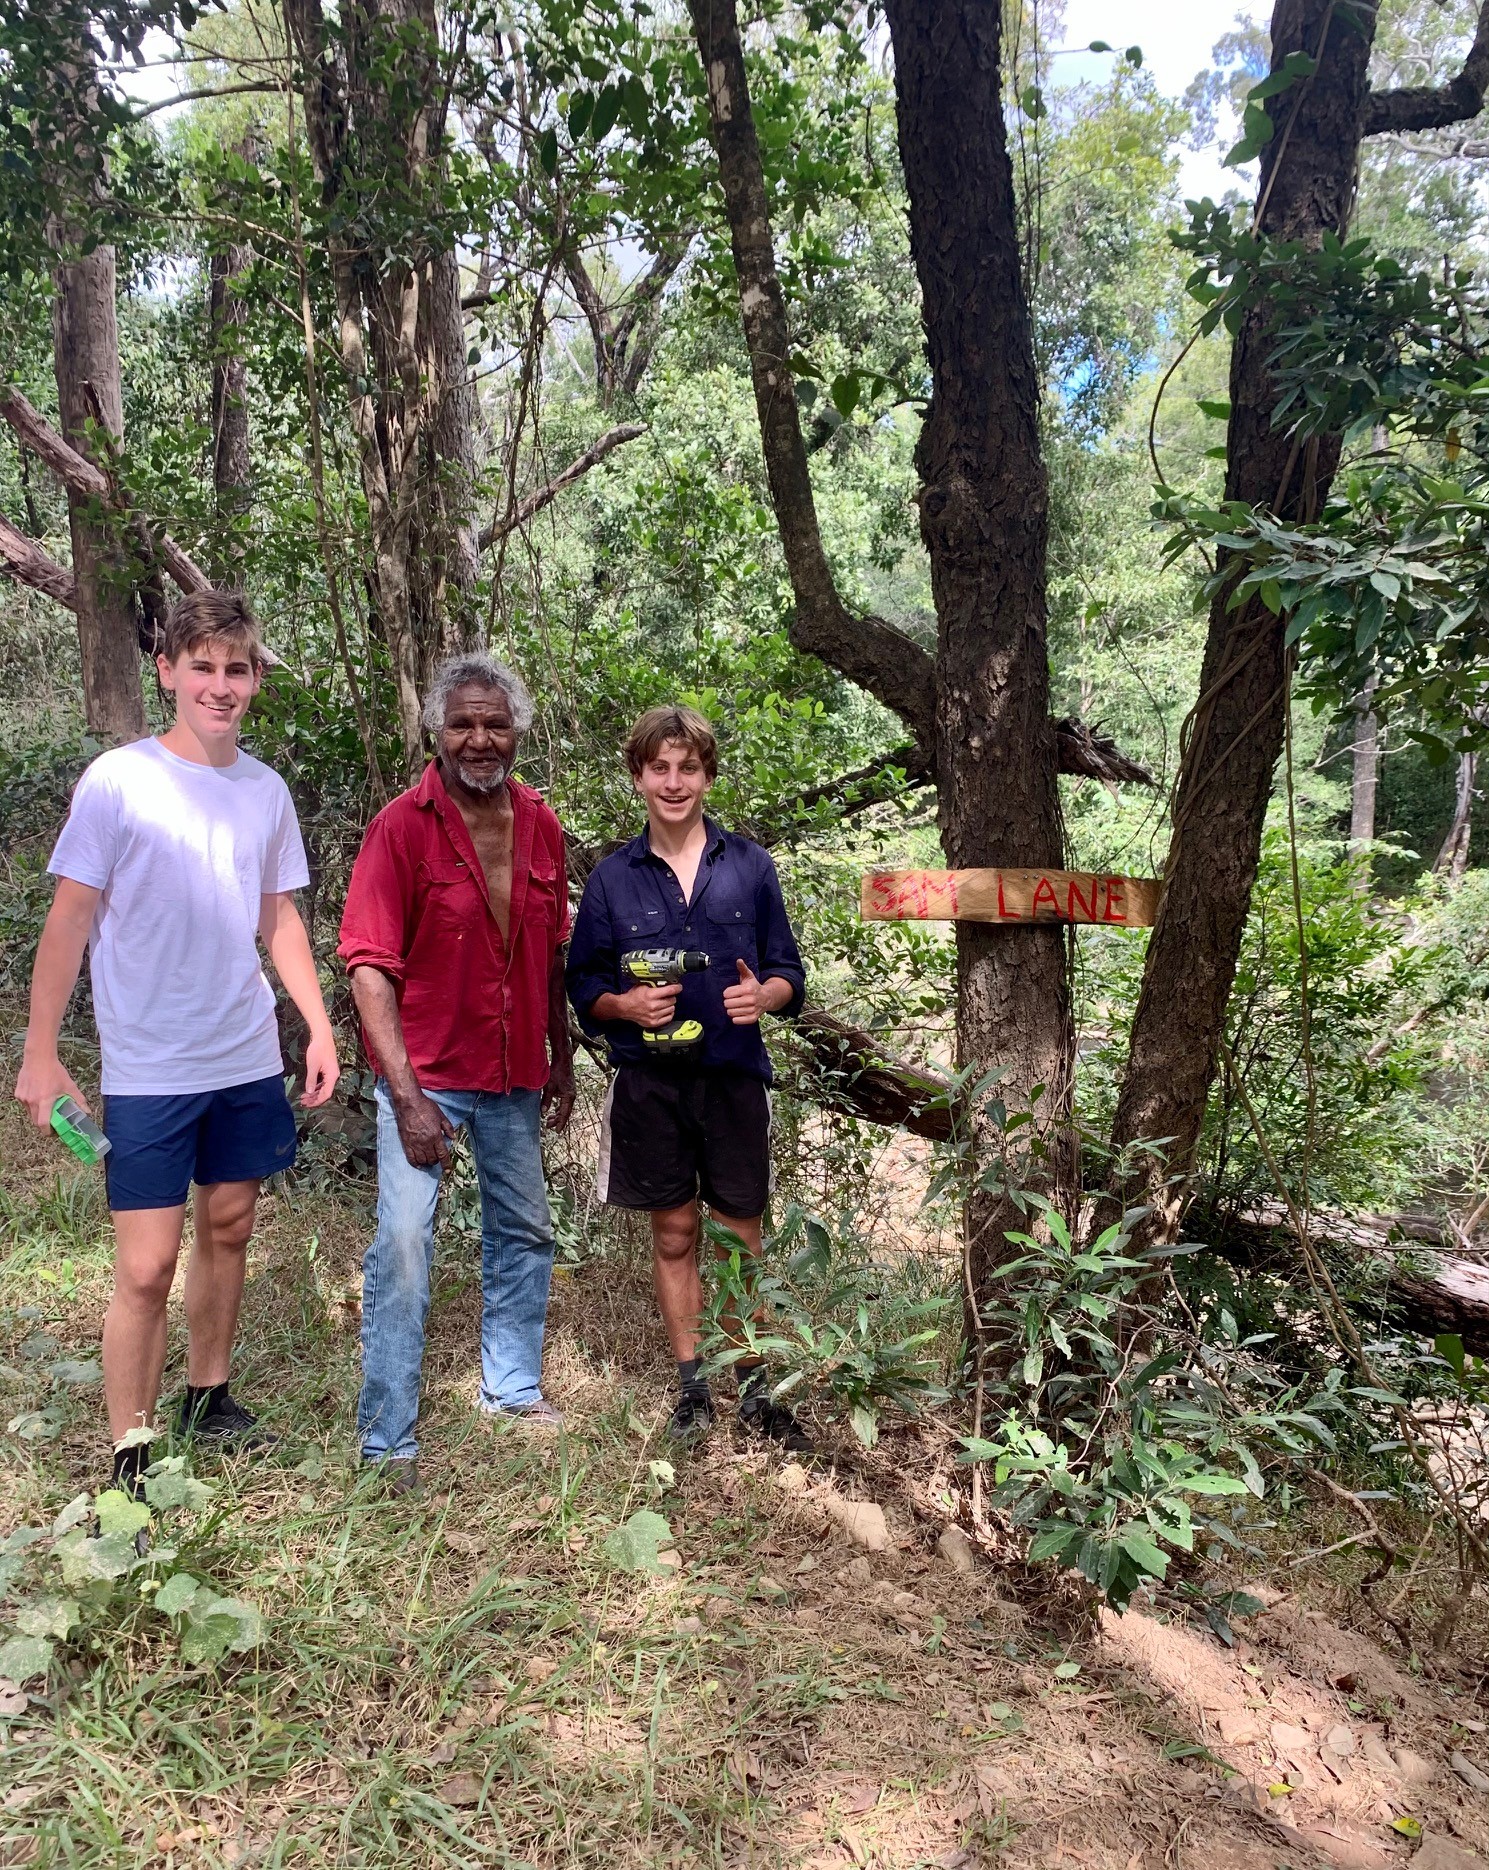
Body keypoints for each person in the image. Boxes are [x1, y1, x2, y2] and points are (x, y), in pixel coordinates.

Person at [13, 590, 339, 1493]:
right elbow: (70, 920)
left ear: (256, 680)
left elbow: (277, 917)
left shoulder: (264, 791)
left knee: (228, 1228)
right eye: (203, 666)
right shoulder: (120, 781)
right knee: (148, 1265)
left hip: (242, 1054)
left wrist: (315, 1023)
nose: (220, 686)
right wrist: (42, 1054)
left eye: (237, 669)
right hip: (151, 1063)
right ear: (167, 671)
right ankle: (132, 1450)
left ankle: (209, 1395)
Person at [339, 652, 575, 1495]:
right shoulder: (402, 826)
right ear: (438, 732)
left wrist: (562, 1054)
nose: (480, 738)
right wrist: (404, 1099)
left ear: (517, 733)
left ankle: (510, 1387)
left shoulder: (540, 823)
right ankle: (387, 1443)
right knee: (403, 1244)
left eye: (495, 723)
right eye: (464, 723)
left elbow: (549, 949)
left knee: (524, 1231)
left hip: (513, 1069)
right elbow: (369, 968)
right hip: (427, 1076)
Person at [566, 704, 809, 1449]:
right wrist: (625, 1005)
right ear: (638, 775)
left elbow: (789, 975)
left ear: (707, 775)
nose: (674, 783)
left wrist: (765, 995)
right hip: (650, 1085)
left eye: (688, 768)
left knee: (742, 1236)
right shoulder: (613, 879)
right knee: (673, 1234)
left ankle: (758, 1392)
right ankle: (691, 1389)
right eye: (659, 768)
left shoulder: (749, 867)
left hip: (733, 1078)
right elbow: (584, 986)